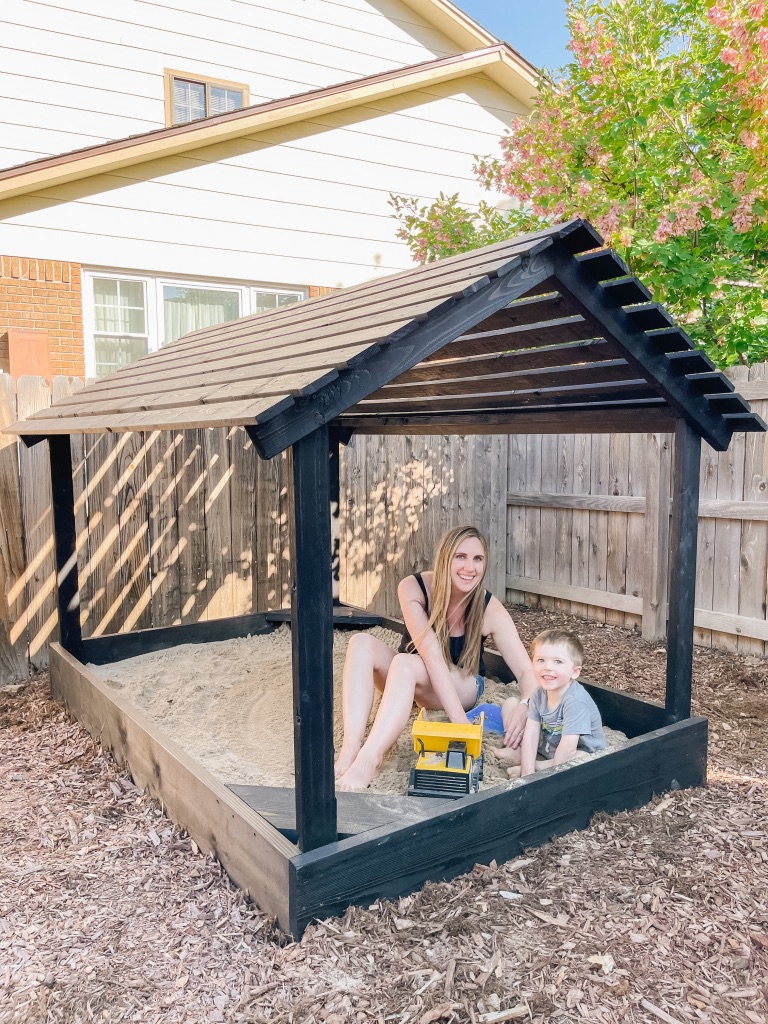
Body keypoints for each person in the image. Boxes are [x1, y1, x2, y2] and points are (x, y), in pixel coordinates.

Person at [335, 525, 537, 791]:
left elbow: (525, 671)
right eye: (460, 556)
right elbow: (429, 653)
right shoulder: (413, 587)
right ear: (445, 557)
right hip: (409, 677)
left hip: (462, 685)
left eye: (478, 559)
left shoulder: (489, 608)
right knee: (362, 643)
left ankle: (369, 760)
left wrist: (524, 703)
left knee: (406, 662)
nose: (470, 567)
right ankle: (351, 746)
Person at [494, 628, 607, 777]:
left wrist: (539, 773)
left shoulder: (575, 702)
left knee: (583, 759)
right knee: (511, 703)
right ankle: (521, 754)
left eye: (558, 662)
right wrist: (527, 774)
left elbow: (568, 748)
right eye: (541, 660)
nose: (548, 667)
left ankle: (538, 764)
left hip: (577, 750)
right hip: (549, 744)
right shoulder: (538, 694)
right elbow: (531, 733)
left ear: (574, 672)